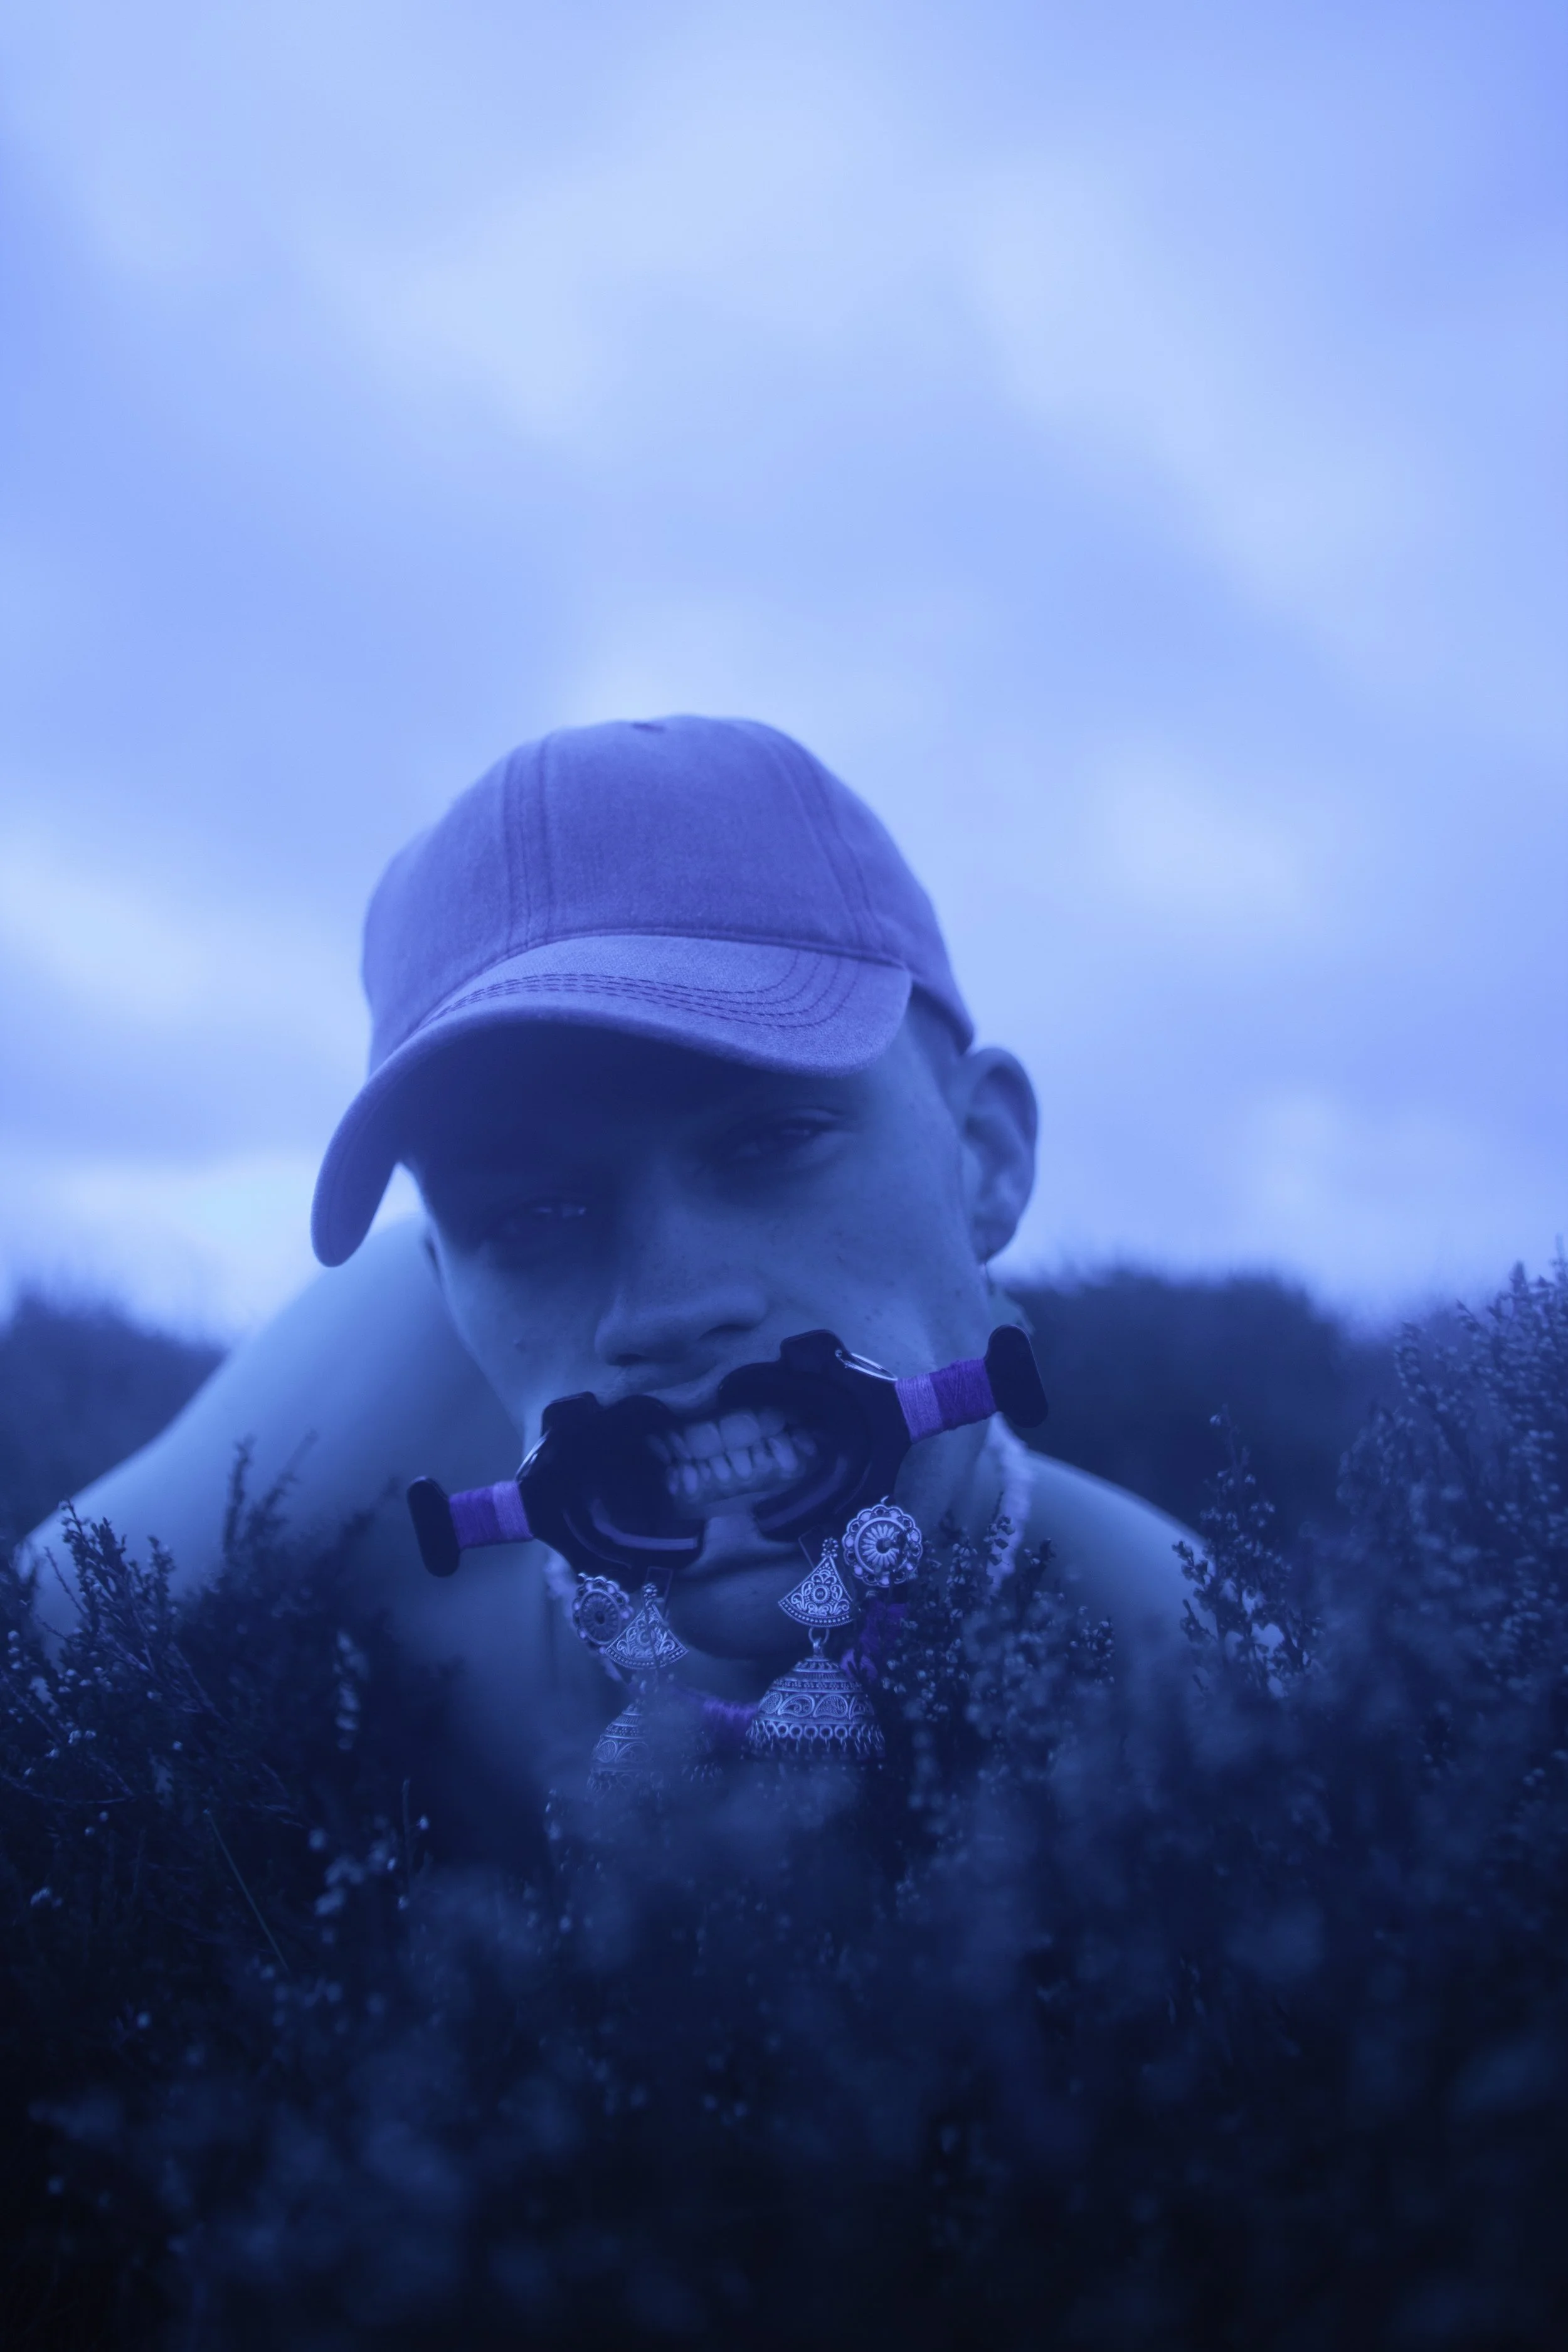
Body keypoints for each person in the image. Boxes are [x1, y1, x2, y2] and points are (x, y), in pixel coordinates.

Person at [29, 717, 1194, 1820]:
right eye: (532, 1215)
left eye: (771, 1141)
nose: (666, 1308)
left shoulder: (1197, 1681)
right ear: (444, 1286)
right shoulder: (354, 1429)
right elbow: (37, 1644)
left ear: (985, 1157)